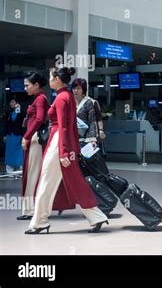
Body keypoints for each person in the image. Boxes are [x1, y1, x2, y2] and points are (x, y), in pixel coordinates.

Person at [26, 67, 109, 234]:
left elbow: (63, 127)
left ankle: (39, 222)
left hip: (58, 144)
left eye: (51, 77)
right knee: (76, 182)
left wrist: (64, 152)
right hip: (65, 143)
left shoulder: (61, 98)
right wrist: (73, 150)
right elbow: (70, 127)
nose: (48, 81)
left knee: (46, 182)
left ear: (57, 79)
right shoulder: (68, 97)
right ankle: (96, 216)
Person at [17, 72, 49, 221]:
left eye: (27, 85)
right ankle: (30, 209)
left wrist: (26, 136)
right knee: (31, 173)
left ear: (36, 85)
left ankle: (32, 210)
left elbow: (38, 119)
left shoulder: (40, 99)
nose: (25, 88)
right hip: (33, 139)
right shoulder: (37, 99)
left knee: (33, 173)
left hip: (35, 139)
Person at [71, 78, 98, 148]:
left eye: (78, 89)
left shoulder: (88, 102)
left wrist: (92, 140)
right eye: (74, 88)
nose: (76, 91)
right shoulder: (70, 102)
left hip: (84, 139)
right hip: (70, 137)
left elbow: (92, 121)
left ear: (83, 90)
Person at [3, 98, 25, 173]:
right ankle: (9, 168)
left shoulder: (21, 112)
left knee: (18, 151)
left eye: (12, 102)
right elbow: (6, 124)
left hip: (18, 134)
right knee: (9, 151)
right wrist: (5, 134)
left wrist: (19, 110)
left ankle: (19, 168)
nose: (11, 104)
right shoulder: (9, 112)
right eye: (10, 102)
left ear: (17, 103)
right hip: (10, 134)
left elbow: (24, 122)